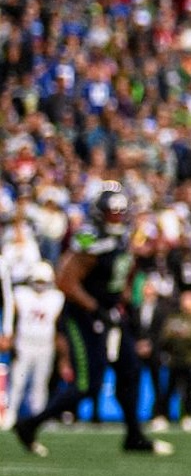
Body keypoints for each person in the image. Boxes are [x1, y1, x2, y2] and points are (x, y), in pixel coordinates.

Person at [13, 189, 165, 456]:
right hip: (84, 316)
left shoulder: (123, 239)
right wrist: (96, 307)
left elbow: (123, 274)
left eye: (120, 213)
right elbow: (65, 280)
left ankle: (134, 435)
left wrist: (121, 301)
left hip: (110, 313)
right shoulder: (90, 238)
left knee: (130, 369)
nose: (117, 218)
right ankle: (29, 425)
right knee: (87, 384)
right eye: (112, 213)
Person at [6, 261, 64, 444]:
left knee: (40, 384)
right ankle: (10, 414)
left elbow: (57, 323)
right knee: (18, 382)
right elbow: (13, 315)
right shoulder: (21, 295)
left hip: (45, 344)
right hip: (24, 343)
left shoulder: (56, 297)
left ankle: (37, 418)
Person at [151, 289, 191, 430]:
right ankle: (162, 416)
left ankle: (189, 415)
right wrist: (177, 336)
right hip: (175, 360)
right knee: (169, 390)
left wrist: (186, 336)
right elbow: (165, 337)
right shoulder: (174, 317)